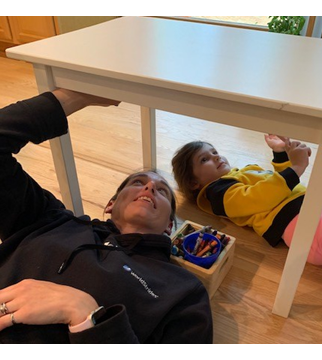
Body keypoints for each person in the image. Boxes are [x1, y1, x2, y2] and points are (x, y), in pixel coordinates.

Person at [0, 89, 213, 344]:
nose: (150, 187)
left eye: (162, 191)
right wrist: (77, 96)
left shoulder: (183, 291)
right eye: (137, 182)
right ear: (111, 204)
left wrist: (86, 316)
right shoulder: (47, 218)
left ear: (169, 225)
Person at [171, 137, 322, 340]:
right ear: (194, 183)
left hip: (318, 211)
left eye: (214, 151)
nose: (215, 156)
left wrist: (280, 154)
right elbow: (260, 196)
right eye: (205, 159)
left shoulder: (240, 173)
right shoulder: (218, 194)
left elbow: (279, 182)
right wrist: (297, 165)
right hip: (308, 230)